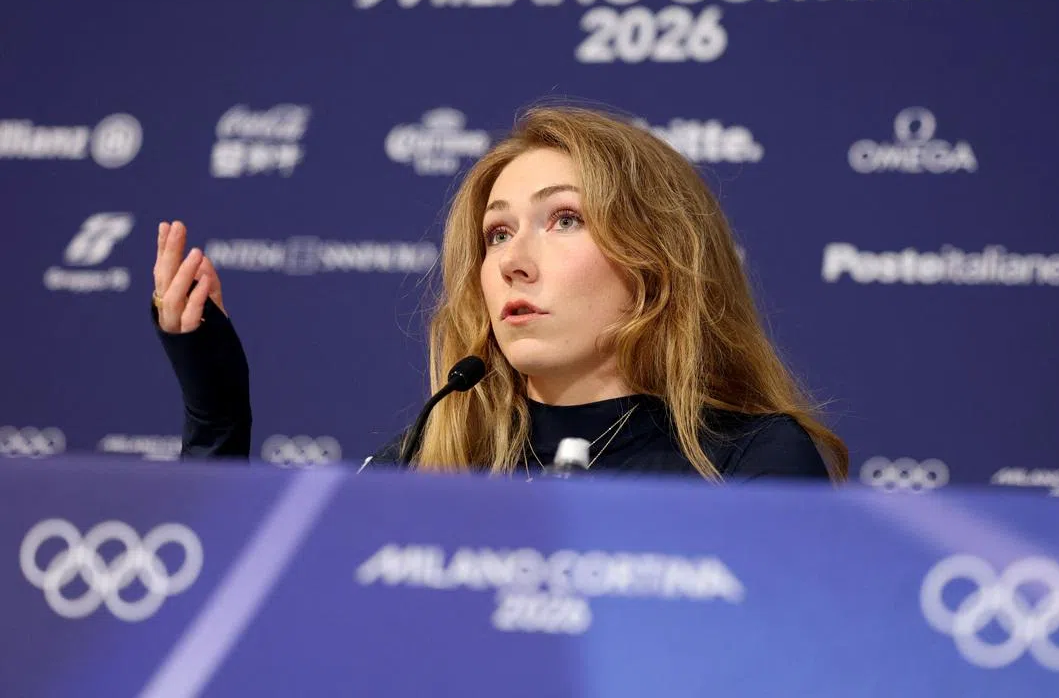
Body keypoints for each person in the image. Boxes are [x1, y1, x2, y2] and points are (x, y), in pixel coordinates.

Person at [152, 105, 848, 482]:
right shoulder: (433, 458)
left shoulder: (751, 462)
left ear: (658, 261)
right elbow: (254, 629)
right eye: (496, 234)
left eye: (564, 219)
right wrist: (217, 419)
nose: (514, 261)